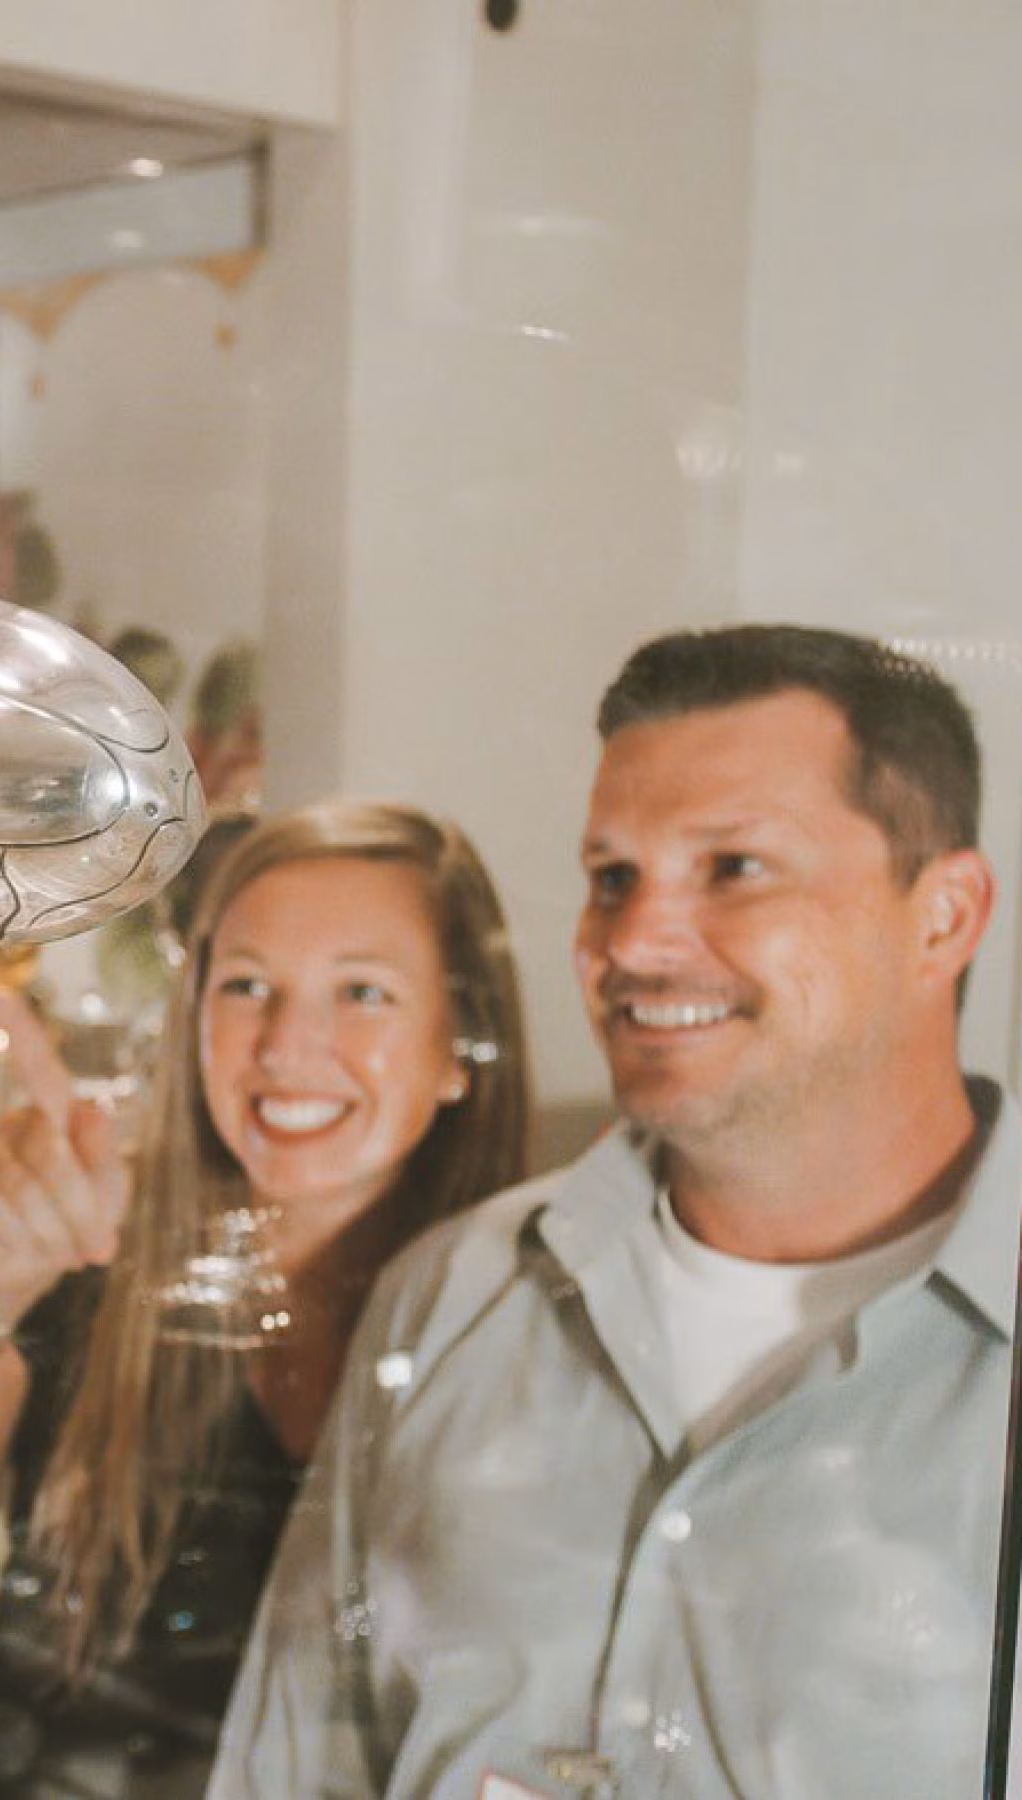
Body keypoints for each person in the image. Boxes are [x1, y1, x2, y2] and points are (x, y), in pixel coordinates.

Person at [208, 623, 1018, 1799]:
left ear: (942, 917)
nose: (634, 940)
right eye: (611, 878)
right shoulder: (452, 1291)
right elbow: (291, 1767)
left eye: (734, 868)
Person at [0, 800, 531, 1796]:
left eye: (362, 992)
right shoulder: (89, 1250)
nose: (287, 1043)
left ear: (462, 1046)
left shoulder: (529, 1329)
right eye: (247, 985)